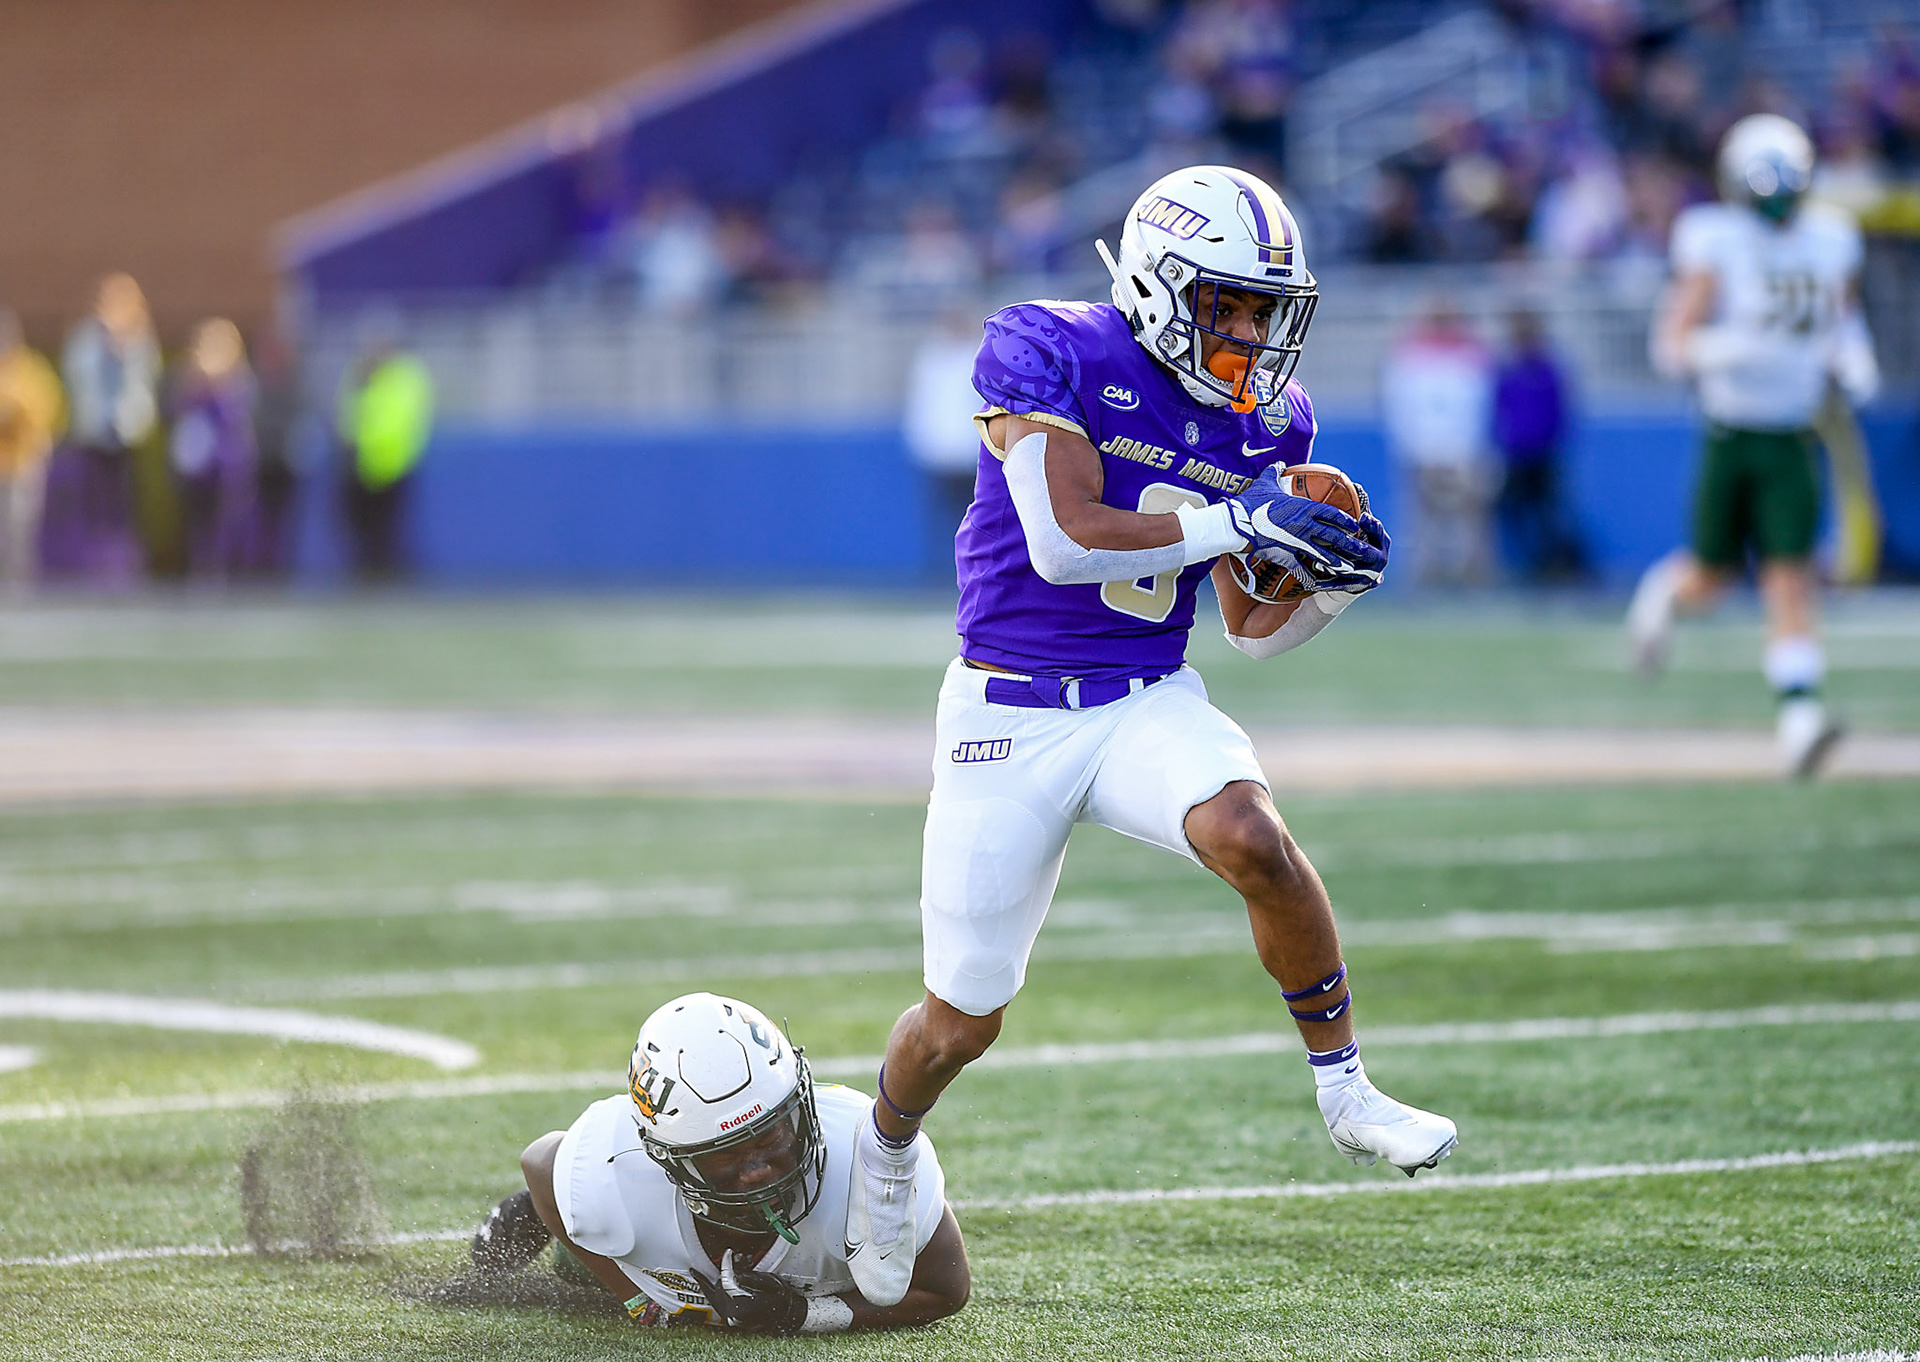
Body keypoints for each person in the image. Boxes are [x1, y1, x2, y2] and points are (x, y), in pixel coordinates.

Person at [844, 165, 1456, 1309]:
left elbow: (1249, 631)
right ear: (1166, 285)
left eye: (1269, 309)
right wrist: (1240, 516)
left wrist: (1329, 587)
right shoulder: (1048, 349)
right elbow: (1067, 542)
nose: (1256, 333)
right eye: (1233, 304)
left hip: (1141, 694)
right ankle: (883, 1157)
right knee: (958, 1022)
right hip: (1008, 715)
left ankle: (1346, 1087)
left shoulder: (1267, 415)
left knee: (1253, 837)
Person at [474, 992, 968, 1336]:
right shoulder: (614, 1178)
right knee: (589, 1244)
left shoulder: (869, 1159)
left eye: (771, 1137)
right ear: (667, 1157)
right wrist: (640, 1300)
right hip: (652, 1247)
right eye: (725, 1154)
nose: (757, 1172)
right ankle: (551, 1234)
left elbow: (945, 1291)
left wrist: (803, 1314)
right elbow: (540, 1162)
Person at [1630, 114, 1878, 779]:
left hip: (1792, 433)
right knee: (1711, 578)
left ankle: (1800, 724)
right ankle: (1660, 597)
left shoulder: (1830, 239)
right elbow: (1670, 346)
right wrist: (1722, 347)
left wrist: (1854, 357)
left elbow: (1841, 317)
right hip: (1731, 432)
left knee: (1789, 577)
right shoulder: (1716, 238)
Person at [1380, 300, 1496, 587]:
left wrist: (1471, 448)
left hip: (1463, 453)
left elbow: (1480, 407)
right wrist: (1411, 449)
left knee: (1471, 522)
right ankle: (1424, 580)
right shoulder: (1410, 356)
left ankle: (1473, 580)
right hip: (1423, 452)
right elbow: (1401, 407)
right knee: (1422, 523)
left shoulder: (1471, 356)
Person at [61, 273, 160, 583]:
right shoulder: (87, 337)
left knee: (122, 499)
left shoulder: (139, 339)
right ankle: (94, 564)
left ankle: (122, 565)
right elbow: (76, 376)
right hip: (93, 431)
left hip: (125, 431)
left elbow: (144, 382)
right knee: (94, 500)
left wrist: (122, 349)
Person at [1490, 309, 1581, 583]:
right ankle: (1530, 562)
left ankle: (1554, 563)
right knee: (1512, 510)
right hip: (1517, 455)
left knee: (1548, 513)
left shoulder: (1548, 370)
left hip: (1543, 454)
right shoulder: (1509, 372)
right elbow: (1500, 411)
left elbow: (1560, 411)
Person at [168, 319, 257, 581]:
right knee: (195, 517)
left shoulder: (238, 379)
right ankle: (198, 568)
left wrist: (218, 389)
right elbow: (176, 411)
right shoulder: (187, 377)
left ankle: (222, 569)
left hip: (226, 462)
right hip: (195, 463)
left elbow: (237, 419)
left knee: (225, 517)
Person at [337, 339, 433, 581]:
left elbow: (390, 425)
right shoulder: (365, 380)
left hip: (387, 464)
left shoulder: (397, 380)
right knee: (365, 526)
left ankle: (382, 573)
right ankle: (371, 572)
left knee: (384, 527)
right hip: (364, 463)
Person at [0, 311, 67, 592]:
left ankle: (18, 582)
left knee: (19, 526)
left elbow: (48, 413)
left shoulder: (31, 371)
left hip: (21, 461)